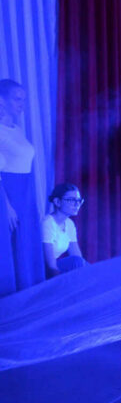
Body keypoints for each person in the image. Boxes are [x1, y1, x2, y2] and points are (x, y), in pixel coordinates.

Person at [0, 79, 45, 295]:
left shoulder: (16, 129)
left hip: (25, 193)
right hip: (8, 195)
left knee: (26, 243)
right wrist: (6, 206)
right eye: (17, 99)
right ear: (1, 101)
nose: (22, 104)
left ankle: (28, 294)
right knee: (10, 246)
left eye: (23, 100)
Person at [41, 184, 88, 277]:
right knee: (76, 262)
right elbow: (51, 267)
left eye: (79, 200)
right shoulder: (47, 223)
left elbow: (77, 255)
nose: (77, 204)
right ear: (57, 202)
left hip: (54, 268)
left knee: (87, 266)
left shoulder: (69, 224)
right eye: (71, 200)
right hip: (41, 270)